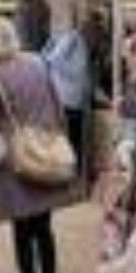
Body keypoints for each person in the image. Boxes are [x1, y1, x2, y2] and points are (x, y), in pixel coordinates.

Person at [0, 15, 79, 273]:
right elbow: (57, 107)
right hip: (46, 147)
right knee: (43, 225)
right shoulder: (36, 64)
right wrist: (58, 141)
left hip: (15, 156)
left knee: (23, 224)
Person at [41, 15, 93, 181]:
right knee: (72, 138)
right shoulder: (71, 38)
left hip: (65, 97)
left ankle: (69, 176)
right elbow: (51, 59)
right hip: (70, 98)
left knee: (68, 138)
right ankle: (72, 175)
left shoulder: (68, 38)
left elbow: (48, 59)